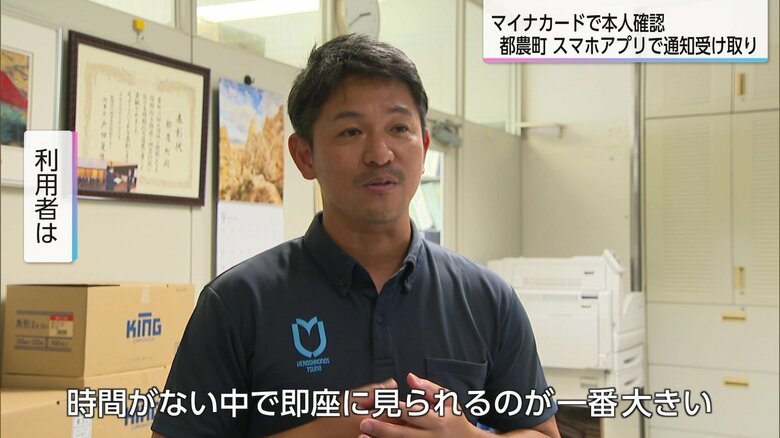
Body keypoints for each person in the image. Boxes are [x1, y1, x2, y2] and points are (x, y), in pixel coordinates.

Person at [151, 34, 559, 438]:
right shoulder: (237, 302)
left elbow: (541, 432)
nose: (380, 153)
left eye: (399, 127)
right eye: (351, 132)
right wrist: (319, 433)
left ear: (424, 146)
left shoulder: (487, 299)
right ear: (305, 156)